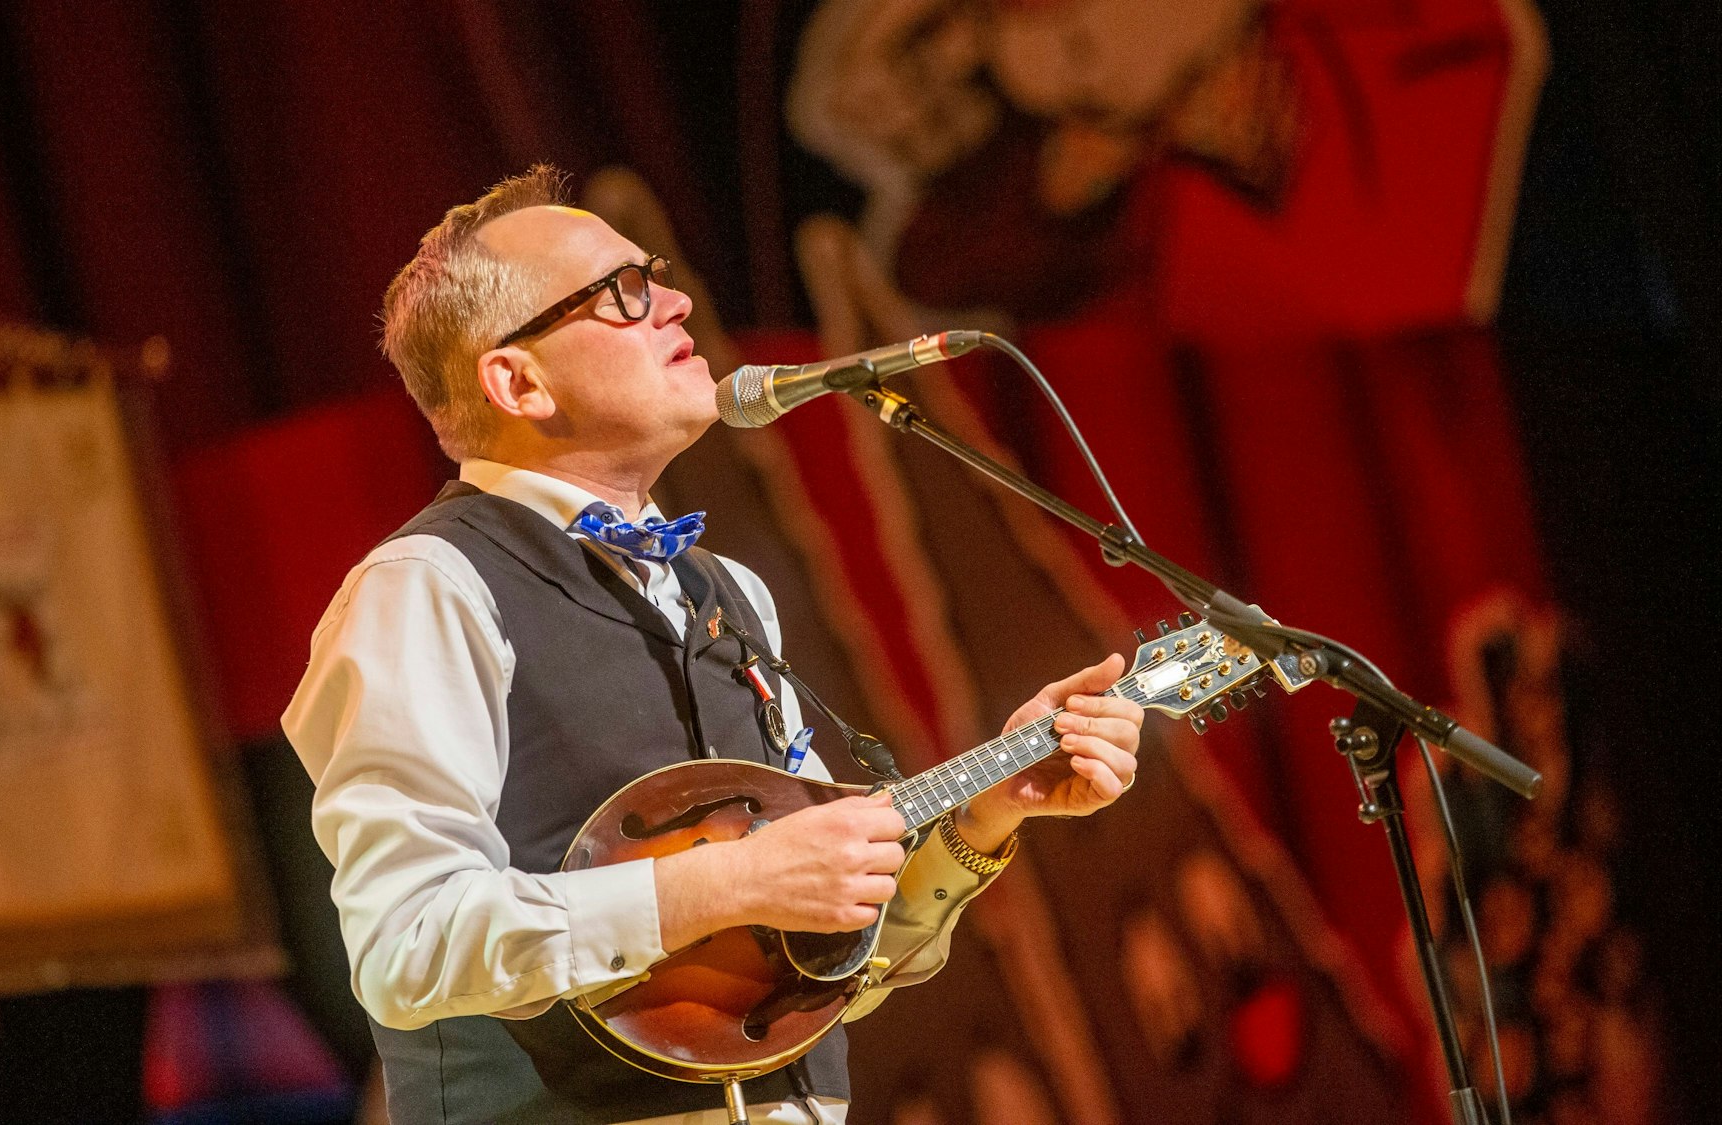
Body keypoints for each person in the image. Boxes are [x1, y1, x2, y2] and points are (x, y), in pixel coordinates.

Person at [281, 167, 1143, 1125]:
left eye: (655, 273)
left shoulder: (729, 595)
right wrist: (727, 881)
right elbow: (406, 946)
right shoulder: (428, 587)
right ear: (515, 380)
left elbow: (820, 958)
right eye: (622, 291)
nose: (678, 299)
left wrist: (983, 817)